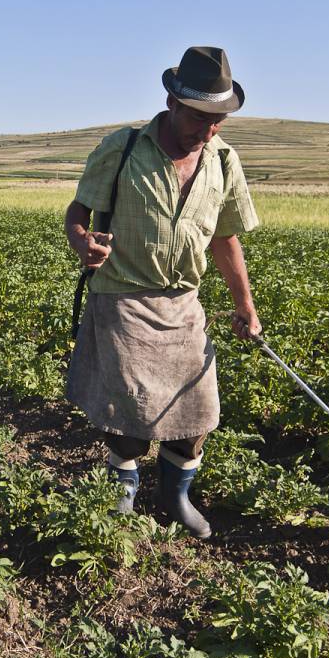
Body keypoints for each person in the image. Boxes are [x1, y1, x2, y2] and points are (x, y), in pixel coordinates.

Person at [64, 46, 263, 538]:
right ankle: (120, 500)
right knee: (130, 420)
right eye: (200, 118)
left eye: (218, 121)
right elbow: (78, 212)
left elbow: (225, 237)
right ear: (171, 102)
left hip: (183, 305)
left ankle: (175, 496)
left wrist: (246, 306)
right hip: (123, 299)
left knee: (197, 414)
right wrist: (82, 243)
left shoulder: (222, 161)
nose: (208, 130)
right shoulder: (124, 148)